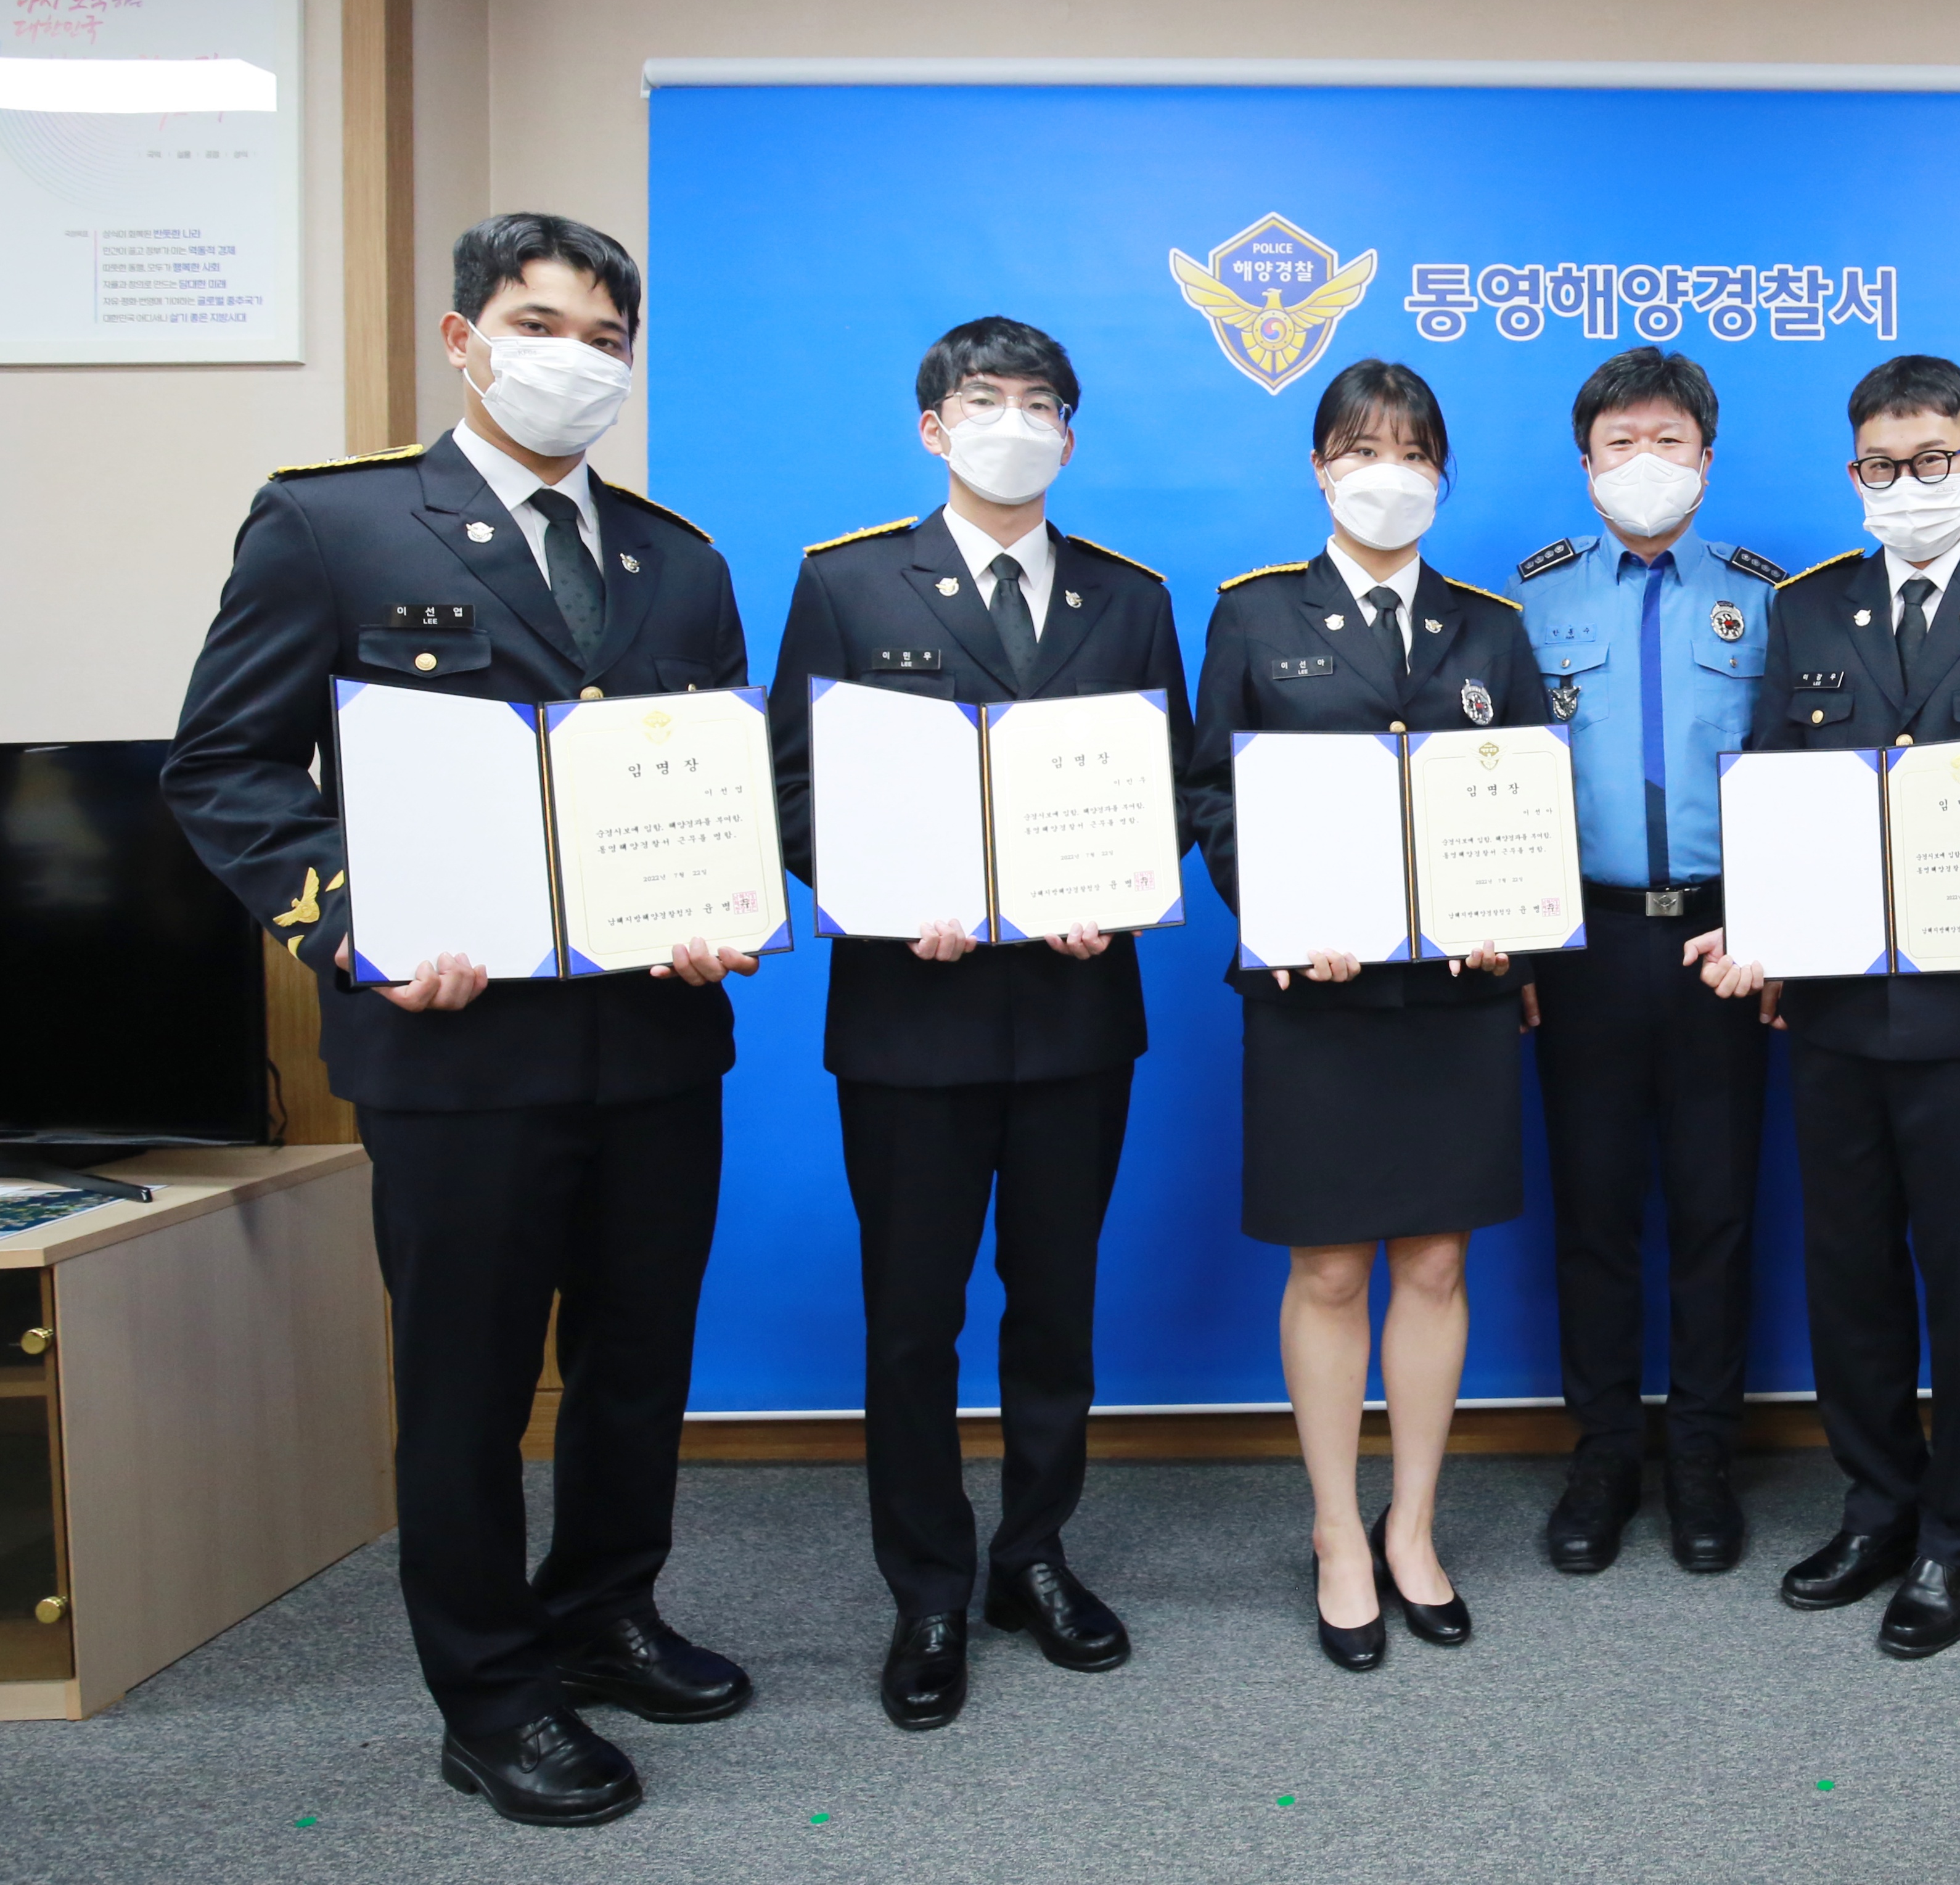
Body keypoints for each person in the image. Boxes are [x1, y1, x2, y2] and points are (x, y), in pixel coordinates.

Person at [162, 213, 757, 1828]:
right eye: (539, 323)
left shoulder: (679, 560)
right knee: (470, 1384)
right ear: (462, 337)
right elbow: (223, 767)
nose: (575, 359)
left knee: (637, 1361)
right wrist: (354, 926)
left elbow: (710, 779)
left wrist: (729, 899)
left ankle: (605, 1608)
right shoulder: (332, 524)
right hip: (454, 1047)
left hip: (655, 1038)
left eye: (605, 339)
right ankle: (490, 1693)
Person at [766, 317, 1192, 1731]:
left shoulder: (1130, 596)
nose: (1015, 421)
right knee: (914, 1317)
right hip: (911, 1015)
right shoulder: (846, 581)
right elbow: (792, 788)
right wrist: (890, 897)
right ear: (934, 427)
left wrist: (1117, 894)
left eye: (1041, 402)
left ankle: (1033, 1556)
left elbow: (1169, 790)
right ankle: (929, 1587)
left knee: (1055, 1307)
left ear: (1069, 432)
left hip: (1077, 1013)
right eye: (985, 399)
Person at [1684, 353, 1960, 1659]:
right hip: (1837, 1016)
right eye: (1883, 465)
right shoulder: (1810, 608)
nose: (1908, 484)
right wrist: (1759, 931)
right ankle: (1876, 1506)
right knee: (1850, 1278)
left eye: (1932, 461)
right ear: (1854, 472)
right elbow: (1776, 785)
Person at [1181, 358, 1545, 1670]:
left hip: (1456, 998)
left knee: (1437, 1263)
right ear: (1320, 468)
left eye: (1410, 452)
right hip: (1315, 996)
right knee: (1331, 1268)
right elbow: (1209, 794)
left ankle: (1414, 1526)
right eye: (1359, 450)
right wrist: (1279, 911)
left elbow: (1531, 796)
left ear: (1441, 475)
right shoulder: (1254, 614)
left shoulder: (1490, 628)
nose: (1386, 474)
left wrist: (1515, 912)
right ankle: (1338, 1530)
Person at [1506, 347, 1787, 1577]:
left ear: (1706, 459)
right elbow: (1499, 793)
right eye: (1620, 442)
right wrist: (1520, 947)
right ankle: (1606, 1454)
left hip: (1725, 940)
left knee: (1718, 1210)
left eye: (1668, 440)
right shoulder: (1532, 602)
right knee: (1596, 1210)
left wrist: (1779, 931)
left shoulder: (1767, 599)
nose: (1645, 462)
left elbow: (1794, 774)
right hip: (1585, 939)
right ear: (1586, 463)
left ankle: (1704, 1457)